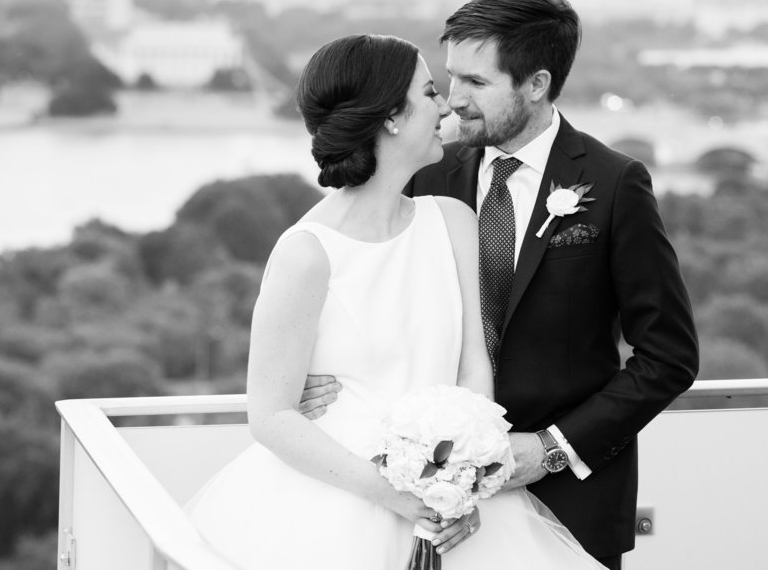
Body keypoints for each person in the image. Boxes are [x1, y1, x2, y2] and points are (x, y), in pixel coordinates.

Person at [301, 0, 700, 569]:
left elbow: (669, 355)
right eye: (450, 78)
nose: (453, 101)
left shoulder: (616, 186)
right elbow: (345, 267)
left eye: (477, 84)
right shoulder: (427, 170)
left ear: (535, 84)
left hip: (570, 500)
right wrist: (313, 370)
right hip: (425, 490)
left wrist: (552, 450)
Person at [187, 33, 602, 569]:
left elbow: (473, 365)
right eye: (430, 93)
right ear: (390, 118)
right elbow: (269, 415)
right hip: (337, 502)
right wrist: (400, 497)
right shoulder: (306, 253)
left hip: (457, 506)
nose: (446, 104)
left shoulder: (452, 220)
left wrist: (464, 486)